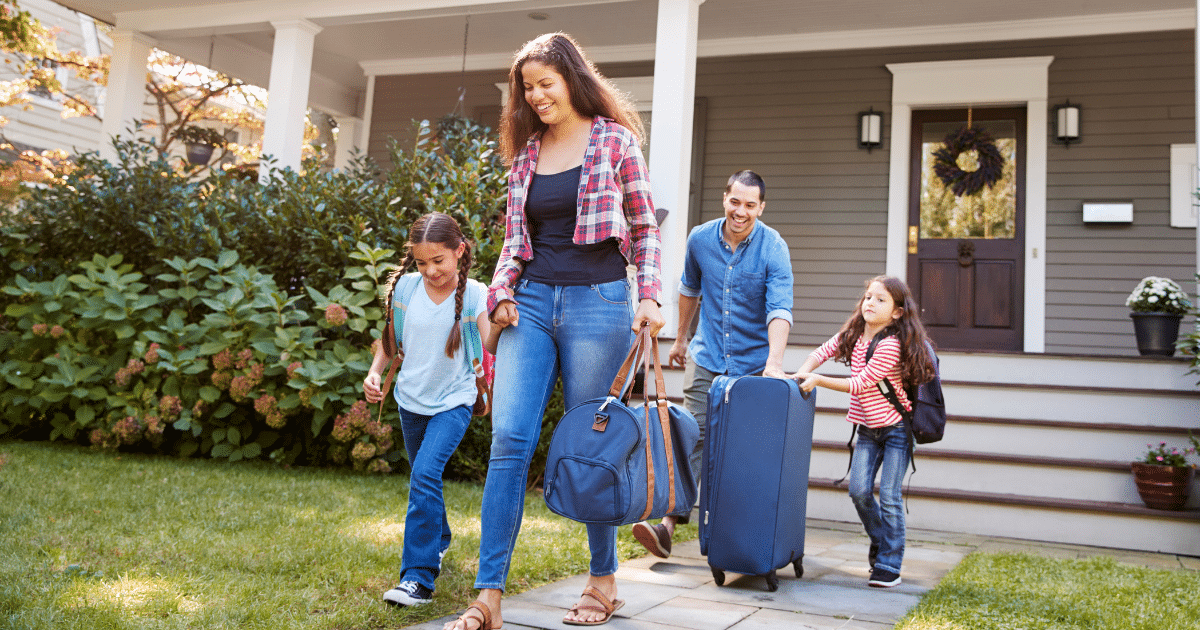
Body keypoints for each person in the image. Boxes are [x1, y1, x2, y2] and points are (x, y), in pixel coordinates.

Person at [443, 32, 665, 630]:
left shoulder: (615, 141)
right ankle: (488, 595)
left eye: (546, 83)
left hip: (599, 302)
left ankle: (602, 581)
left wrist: (648, 295)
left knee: (596, 446)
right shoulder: (526, 156)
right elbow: (514, 245)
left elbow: (644, 229)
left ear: (572, 78)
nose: (537, 95)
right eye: (527, 87)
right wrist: (502, 295)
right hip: (533, 305)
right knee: (510, 442)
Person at [631, 169, 794, 559]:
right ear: (725, 199)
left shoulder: (773, 247)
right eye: (735, 202)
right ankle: (669, 523)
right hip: (707, 357)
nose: (741, 211)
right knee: (694, 435)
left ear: (761, 207)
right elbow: (689, 289)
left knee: (744, 449)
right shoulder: (701, 238)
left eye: (750, 205)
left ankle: (737, 534)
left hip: (754, 365)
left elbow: (779, 309)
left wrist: (774, 361)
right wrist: (682, 338)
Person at [362, 212, 492, 607]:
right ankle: (440, 539)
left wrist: (503, 317)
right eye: (422, 262)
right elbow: (390, 337)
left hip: (454, 400)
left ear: (459, 251)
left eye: (439, 260)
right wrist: (374, 373)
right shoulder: (405, 288)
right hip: (410, 401)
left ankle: (417, 578)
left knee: (423, 474)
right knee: (425, 479)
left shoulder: (474, 294)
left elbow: (493, 343)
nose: (431, 270)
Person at [788, 275, 937, 588]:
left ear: (897, 312)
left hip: (896, 429)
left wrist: (817, 381)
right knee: (858, 491)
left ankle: (889, 564)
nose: (870, 303)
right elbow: (824, 350)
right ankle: (883, 539)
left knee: (891, 498)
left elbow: (860, 382)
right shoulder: (854, 333)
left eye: (881, 300)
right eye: (869, 297)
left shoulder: (892, 344)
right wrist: (805, 369)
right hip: (868, 430)